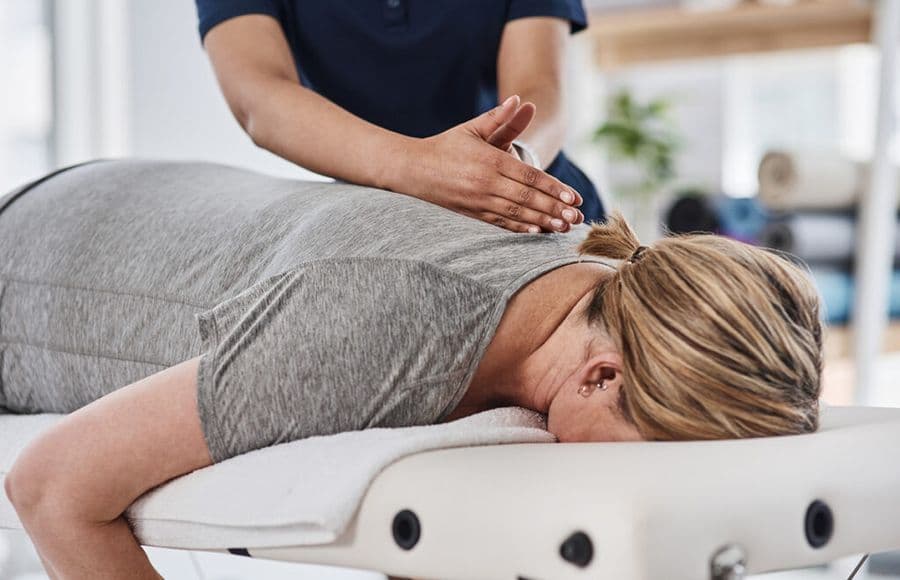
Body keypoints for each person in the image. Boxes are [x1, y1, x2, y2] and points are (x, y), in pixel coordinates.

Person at [2, 159, 821, 578]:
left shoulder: (618, 290)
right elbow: (51, 489)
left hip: (135, 196)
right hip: (29, 264)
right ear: (601, 378)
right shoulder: (377, 329)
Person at [195, 0, 606, 233]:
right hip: (377, 222)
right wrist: (423, 169)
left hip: (529, 204)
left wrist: (508, 169)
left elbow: (538, 88)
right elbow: (259, 98)